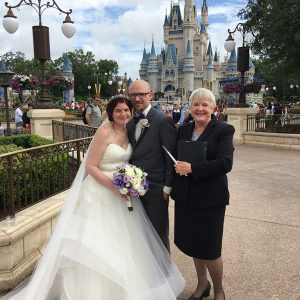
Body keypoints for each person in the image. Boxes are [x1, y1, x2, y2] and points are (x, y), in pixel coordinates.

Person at [1, 96, 185, 300]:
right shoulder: (104, 132)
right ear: (111, 114)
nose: (123, 114)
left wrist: (130, 182)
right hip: (100, 192)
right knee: (98, 241)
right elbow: (90, 166)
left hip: (124, 193)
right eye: (118, 111)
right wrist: (115, 187)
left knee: (128, 242)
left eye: (126, 111)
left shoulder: (129, 129)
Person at [171, 88, 235, 300]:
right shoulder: (183, 130)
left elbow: (225, 163)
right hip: (186, 198)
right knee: (193, 245)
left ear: (214, 108)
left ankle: (219, 289)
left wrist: (193, 168)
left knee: (210, 249)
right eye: (196, 104)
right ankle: (202, 285)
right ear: (190, 107)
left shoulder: (223, 130)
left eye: (205, 105)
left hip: (210, 199)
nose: (200, 108)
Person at [126, 80, 177, 250]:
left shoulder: (163, 120)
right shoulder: (131, 123)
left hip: (156, 190)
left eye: (141, 94)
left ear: (150, 95)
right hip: (135, 189)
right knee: (139, 236)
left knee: (158, 235)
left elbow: (170, 156)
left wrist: (167, 188)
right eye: (133, 94)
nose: (137, 98)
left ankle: (164, 275)